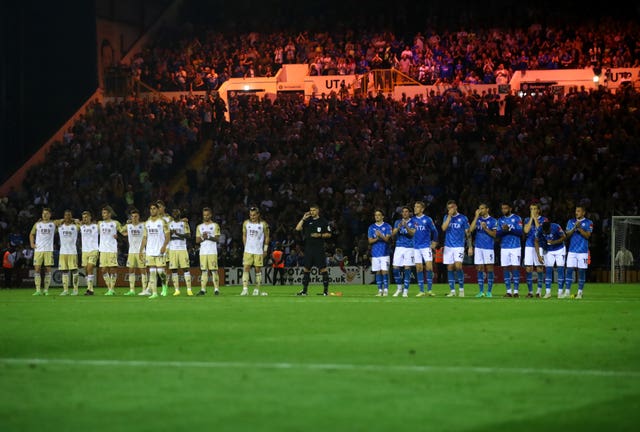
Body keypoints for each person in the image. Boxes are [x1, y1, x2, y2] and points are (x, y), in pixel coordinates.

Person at [295, 204, 332, 296]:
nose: (312, 212)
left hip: (319, 250)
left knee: (323, 269)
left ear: (318, 211)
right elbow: (298, 228)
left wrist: (319, 235)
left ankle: (325, 291)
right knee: (306, 270)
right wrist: (303, 218)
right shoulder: (308, 221)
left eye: (314, 210)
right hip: (308, 250)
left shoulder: (323, 221)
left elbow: (329, 234)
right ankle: (304, 291)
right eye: (311, 210)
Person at [140, 202, 170, 300]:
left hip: (159, 250)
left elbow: (167, 236)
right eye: (151, 208)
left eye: (154, 208)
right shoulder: (147, 223)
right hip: (149, 250)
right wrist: (141, 250)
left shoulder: (162, 222)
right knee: (152, 272)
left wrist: (164, 246)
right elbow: (145, 237)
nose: (152, 210)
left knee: (161, 271)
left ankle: (165, 286)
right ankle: (154, 293)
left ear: (157, 210)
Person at [441, 200, 470, 297]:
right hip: (448, 246)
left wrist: (470, 246)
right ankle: (452, 291)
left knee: (458, 266)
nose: (450, 209)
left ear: (456, 207)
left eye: (452, 207)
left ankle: (461, 289)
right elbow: (443, 228)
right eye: (449, 208)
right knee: (449, 267)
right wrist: (449, 216)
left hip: (459, 246)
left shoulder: (463, 218)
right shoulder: (446, 217)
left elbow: (468, 233)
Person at [468, 203, 498, 298]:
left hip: (488, 247)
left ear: (487, 209)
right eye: (479, 208)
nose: (480, 210)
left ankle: (489, 291)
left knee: (489, 269)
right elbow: (470, 230)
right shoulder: (478, 220)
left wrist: (485, 228)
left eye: (482, 208)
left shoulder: (493, 221)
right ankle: (481, 291)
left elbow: (495, 235)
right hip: (478, 247)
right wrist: (476, 217)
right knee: (479, 268)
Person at [410, 201, 438, 296]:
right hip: (416, 247)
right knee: (418, 268)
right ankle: (421, 291)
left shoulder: (428, 219)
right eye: (414, 206)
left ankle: (429, 290)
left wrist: (434, 242)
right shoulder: (412, 220)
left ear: (422, 209)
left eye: (417, 207)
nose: (415, 208)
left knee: (429, 267)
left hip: (426, 247)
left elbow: (435, 231)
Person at [565, 206, 594, 298]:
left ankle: (580, 292)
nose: (576, 213)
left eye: (578, 211)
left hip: (583, 251)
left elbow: (588, 236)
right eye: (576, 211)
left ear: (583, 212)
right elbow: (567, 234)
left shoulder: (589, 222)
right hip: (572, 250)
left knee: (581, 271)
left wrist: (580, 228)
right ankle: (567, 292)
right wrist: (574, 227)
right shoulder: (571, 221)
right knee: (569, 270)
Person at [241, 206, 270, 296]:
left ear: (258, 215)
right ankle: (245, 289)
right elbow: (244, 235)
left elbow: (267, 237)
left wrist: (265, 250)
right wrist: (245, 247)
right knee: (246, 268)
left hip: (258, 251)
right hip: (248, 250)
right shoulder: (246, 223)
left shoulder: (263, 224)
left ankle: (257, 289)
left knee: (258, 270)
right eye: (250, 215)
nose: (252, 217)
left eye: (254, 215)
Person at [497, 201, 523, 297]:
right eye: (502, 208)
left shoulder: (517, 218)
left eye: (506, 208)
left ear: (510, 208)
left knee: (515, 267)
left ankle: (516, 292)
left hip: (515, 246)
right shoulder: (500, 220)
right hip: (504, 247)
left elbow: (520, 232)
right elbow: (497, 234)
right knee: (505, 268)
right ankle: (508, 291)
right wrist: (504, 230)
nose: (504, 210)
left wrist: (509, 229)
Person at [535, 221, 567, 299]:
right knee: (548, 270)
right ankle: (548, 292)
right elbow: (536, 241)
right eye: (545, 232)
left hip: (560, 249)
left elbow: (564, 237)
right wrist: (539, 255)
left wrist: (554, 242)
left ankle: (560, 292)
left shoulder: (556, 227)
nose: (546, 233)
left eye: (548, 231)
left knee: (560, 270)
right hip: (549, 250)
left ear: (550, 227)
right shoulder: (539, 229)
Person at [120, 208, 148, 296]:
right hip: (131, 251)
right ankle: (132, 290)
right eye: (132, 216)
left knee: (142, 270)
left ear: (138, 217)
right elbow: (121, 231)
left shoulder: (143, 225)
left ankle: (145, 290)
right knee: (131, 270)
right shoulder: (128, 226)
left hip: (141, 251)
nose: (134, 218)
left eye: (136, 216)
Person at [523, 203, 548, 297]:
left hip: (540, 245)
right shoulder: (526, 219)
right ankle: (530, 292)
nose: (532, 211)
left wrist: (535, 219)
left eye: (534, 209)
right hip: (529, 245)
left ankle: (538, 291)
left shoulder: (544, 219)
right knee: (528, 268)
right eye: (531, 209)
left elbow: (540, 229)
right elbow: (526, 231)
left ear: (538, 210)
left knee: (539, 268)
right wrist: (531, 219)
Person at [29, 207, 56, 296]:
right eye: (43, 213)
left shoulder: (53, 224)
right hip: (38, 250)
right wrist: (32, 244)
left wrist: (74, 220)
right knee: (37, 269)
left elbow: (63, 221)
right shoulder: (37, 224)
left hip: (48, 250)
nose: (44, 215)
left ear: (50, 215)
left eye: (46, 213)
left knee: (48, 269)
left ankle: (46, 290)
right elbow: (31, 234)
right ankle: (38, 290)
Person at [195, 207, 221, 296]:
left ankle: (216, 289)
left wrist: (209, 237)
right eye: (204, 215)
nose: (205, 217)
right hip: (203, 252)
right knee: (204, 271)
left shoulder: (215, 225)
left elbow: (217, 239)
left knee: (214, 270)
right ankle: (203, 289)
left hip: (212, 251)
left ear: (210, 215)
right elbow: (197, 240)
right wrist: (203, 237)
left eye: (207, 215)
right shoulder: (200, 226)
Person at [98, 205, 122, 295]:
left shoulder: (115, 223)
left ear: (109, 214)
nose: (103, 215)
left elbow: (123, 231)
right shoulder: (100, 224)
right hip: (103, 249)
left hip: (112, 249)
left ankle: (111, 289)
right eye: (102, 213)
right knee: (103, 270)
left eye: (104, 213)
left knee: (112, 269)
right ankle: (110, 289)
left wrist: (118, 236)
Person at [391, 206, 415, 297]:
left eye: (406, 211)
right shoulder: (397, 222)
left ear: (409, 213)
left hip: (409, 248)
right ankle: (399, 288)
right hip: (399, 247)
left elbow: (412, 233)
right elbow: (392, 234)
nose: (404, 213)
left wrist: (406, 226)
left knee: (407, 268)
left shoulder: (413, 222)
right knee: (395, 268)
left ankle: (405, 290)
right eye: (403, 212)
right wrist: (398, 227)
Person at [55, 210, 80, 296]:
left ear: (71, 216)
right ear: (64, 216)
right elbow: (54, 222)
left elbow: (81, 225)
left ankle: (75, 290)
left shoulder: (75, 226)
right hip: (63, 252)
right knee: (64, 271)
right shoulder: (60, 226)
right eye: (66, 215)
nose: (67, 217)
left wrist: (75, 220)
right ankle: (65, 290)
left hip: (72, 251)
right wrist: (62, 220)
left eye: (69, 215)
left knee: (74, 270)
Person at [368, 209, 392, 296]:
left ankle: (385, 290)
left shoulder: (387, 226)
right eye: (375, 215)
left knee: (384, 271)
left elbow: (387, 239)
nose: (377, 216)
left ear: (382, 216)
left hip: (385, 253)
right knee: (377, 271)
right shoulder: (371, 227)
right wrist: (377, 238)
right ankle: (379, 291)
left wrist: (380, 235)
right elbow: (370, 241)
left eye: (378, 215)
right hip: (375, 253)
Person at [168, 208, 193, 296]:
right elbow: (167, 237)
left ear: (179, 214)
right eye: (174, 212)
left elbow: (188, 235)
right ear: (172, 214)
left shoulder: (184, 223)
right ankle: (177, 290)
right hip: (172, 249)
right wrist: (171, 234)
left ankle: (189, 289)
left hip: (182, 248)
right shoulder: (169, 224)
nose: (175, 214)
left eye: (177, 212)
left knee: (185, 268)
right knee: (174, 269)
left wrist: (177, 234)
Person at [80, 211, 99, 295]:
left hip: (94, 250)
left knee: (89, 268)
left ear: (90, 217)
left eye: (86, 217)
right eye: (83, 217)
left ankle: (90, 289)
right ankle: (89, 288)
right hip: (84, 251)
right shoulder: (81, 227)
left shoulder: (96, 226)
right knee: (86, 270)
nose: (85, 219)